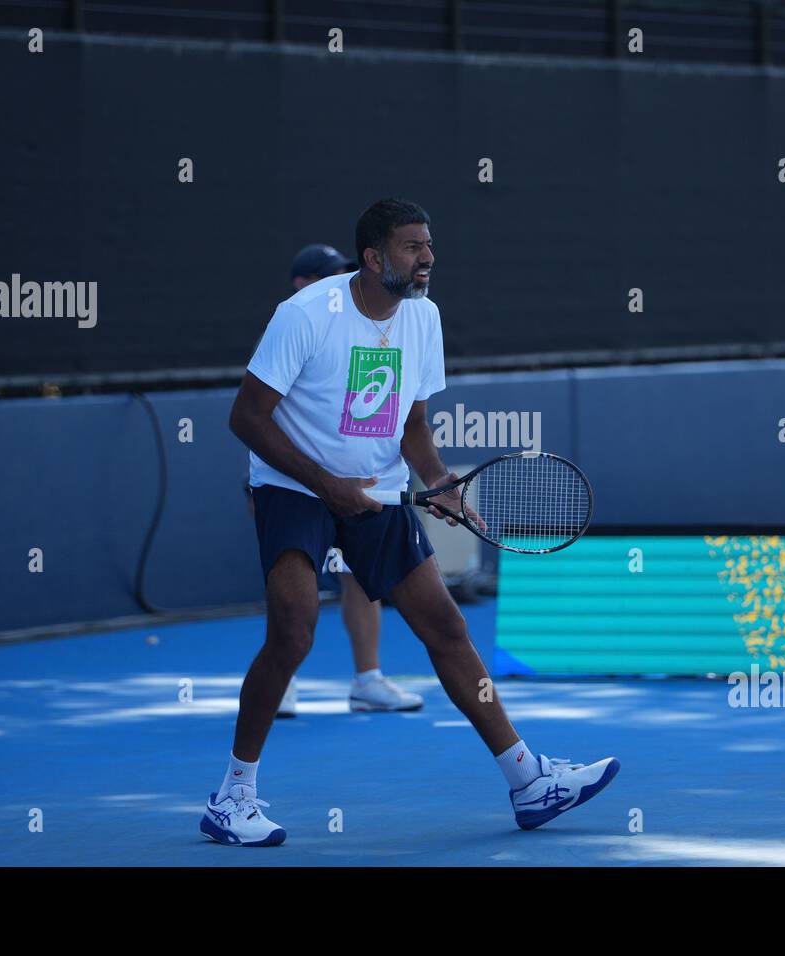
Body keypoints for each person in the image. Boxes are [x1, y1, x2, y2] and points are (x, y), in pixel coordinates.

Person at [202, 200, 618, 846]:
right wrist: (327, 486)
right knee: (293, 630)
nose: (426, 259)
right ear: (373, 259)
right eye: (411, 247)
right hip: (292, 487)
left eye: (429, 246)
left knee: (447, 628)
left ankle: (528, 779)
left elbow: (413, 426)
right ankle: (233, 797)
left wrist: (442, 483)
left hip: (379, 491)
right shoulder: (307, 316)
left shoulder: (424, 319)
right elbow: (247, 418)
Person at [267, 243, 423, 717]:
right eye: (330, 275)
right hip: (295, 485)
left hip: (361, 486)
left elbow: (382, 413)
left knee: (360, 578)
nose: (345, 284)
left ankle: (368, 680)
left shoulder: (376, 329)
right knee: (295, 583)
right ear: (303, 282)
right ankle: (282, 681)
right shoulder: (292, 324)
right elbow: (258, 416)